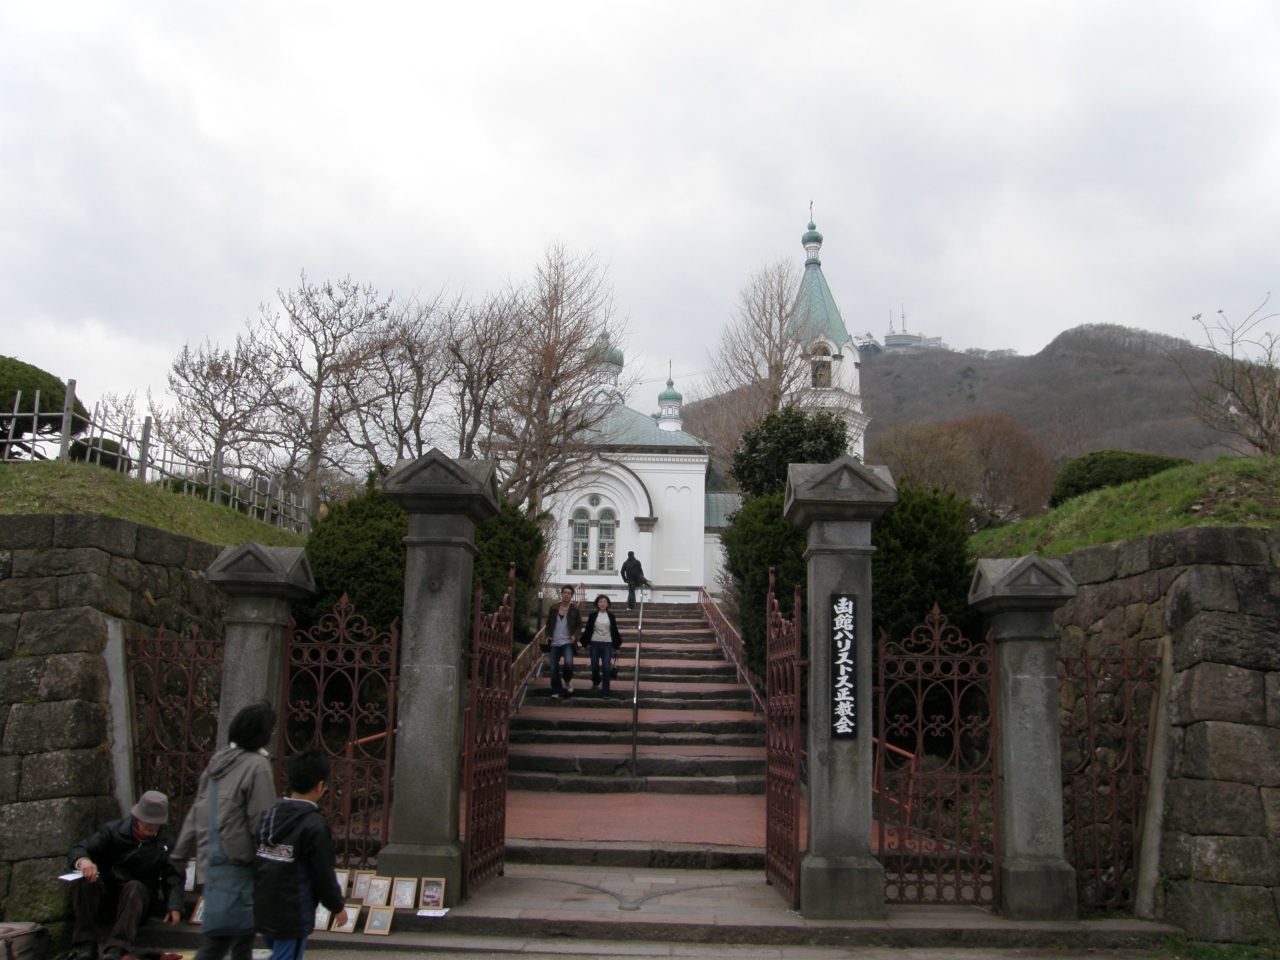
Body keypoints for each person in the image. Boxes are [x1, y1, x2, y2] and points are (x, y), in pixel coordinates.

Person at [175, 701, 278, 960]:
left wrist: (179, 855)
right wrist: (274, 859)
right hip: (240, 867)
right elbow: (262, 822)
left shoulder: (216, 764)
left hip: (213, 865)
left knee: (229, 940)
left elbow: (195, 813)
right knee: (223, 944)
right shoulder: (257, 766)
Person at [66, 791, 183, 960]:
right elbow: (80, 848)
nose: (152, 826)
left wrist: (174, 905)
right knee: (83, 879)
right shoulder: (112, 830)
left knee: (134, 886)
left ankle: (117, 948)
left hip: (138, 899)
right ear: (137, 817)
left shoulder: (168, 841)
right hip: (109, 893)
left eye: (156, 823)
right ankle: (86, 943)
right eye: (148, 821)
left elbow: (174, 876)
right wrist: (84, 861)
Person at [253, 748, 346, 960]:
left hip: (264, 904)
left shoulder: (268, 815)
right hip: (293, 911)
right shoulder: (314, 824)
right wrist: (336, 906)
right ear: (320, 786)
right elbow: (322, 872)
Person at [581, 594, 624, 697]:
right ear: (597, 603)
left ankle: (606, 691)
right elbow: (588, 629)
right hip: (594, 642)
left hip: (607, 643)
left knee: (606, 667)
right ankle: (596, 680)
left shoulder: (611, 616)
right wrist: (584, 644)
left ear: (608, 604)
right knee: (594, 666)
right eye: (600, 602)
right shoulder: (592, 615)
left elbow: (614, 630)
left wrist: (616, 646)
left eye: (604, 602)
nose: (602, 604)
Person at [547, 584, 582, 699]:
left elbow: (579, 625)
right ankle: (557, 691)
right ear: (561, 594)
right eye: (565, 592)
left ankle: (567, 679)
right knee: (553, 668)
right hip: (554, 641)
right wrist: (547, 635)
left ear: (572, 596)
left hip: (567, 642)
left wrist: (575, 636)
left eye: (569, 593)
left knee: (568, 663)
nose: (566, 595)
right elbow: (548, 623)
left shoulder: (575, 609)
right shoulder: (554, 608)